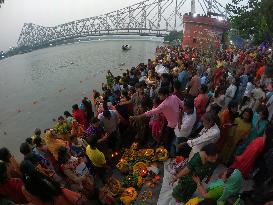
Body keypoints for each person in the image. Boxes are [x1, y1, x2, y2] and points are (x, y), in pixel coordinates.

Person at [130, 86, 184, 151]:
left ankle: (169, 153)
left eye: (160, 95)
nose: (159, 96)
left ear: (166, 95)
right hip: (178, 122)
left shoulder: (164, 104)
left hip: (172, 125)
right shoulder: (174, 97)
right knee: (172, 139)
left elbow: (150, 112)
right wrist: (180, 117)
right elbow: (182, 104)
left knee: (168, 141)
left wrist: (136, 117)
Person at [20, 160, 87, 205]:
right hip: (59, 200)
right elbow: (55, 188)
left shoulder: (25, 188)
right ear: (33, 168)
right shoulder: (41, 178)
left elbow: (33, 201)